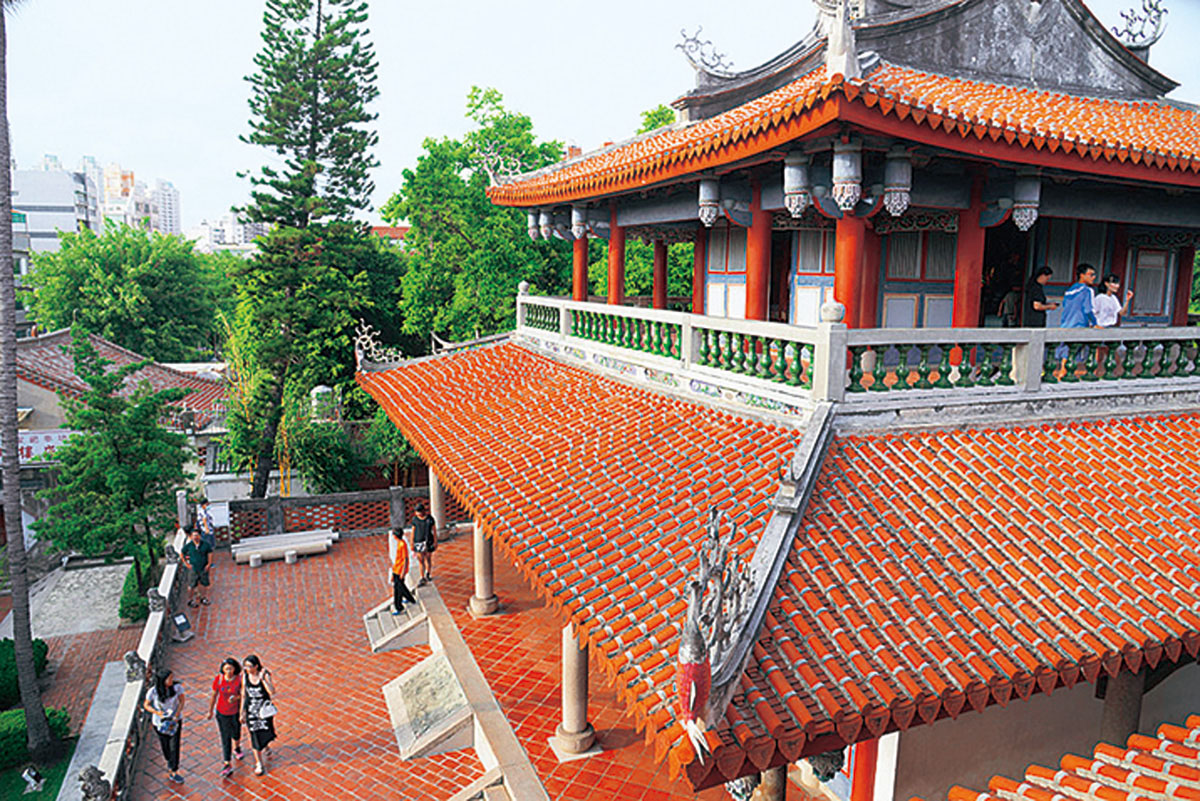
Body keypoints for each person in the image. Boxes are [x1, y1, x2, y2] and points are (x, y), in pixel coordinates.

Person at [144, 668, 186, 785]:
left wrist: (177, 714)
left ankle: (174, 770)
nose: (171, 680)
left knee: (174, 746)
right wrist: (157, 712)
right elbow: (146, 705)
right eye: (169, 678)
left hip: (174, 721)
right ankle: (169, 761)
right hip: (160, 723)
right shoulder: (153, 692)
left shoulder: (177, 688)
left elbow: (182, 701)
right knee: (165, 745)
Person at [240, 654, 277, 776]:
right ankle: (259, 763)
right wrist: (242, 712)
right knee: (254, 736)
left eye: (249, 666)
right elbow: (244, 695)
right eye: (245, 666)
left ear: (256, 666)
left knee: (266, 732)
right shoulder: (245, 676)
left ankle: (265, 745)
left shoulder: (264, 674)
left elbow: (272, 691)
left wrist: (262, 680)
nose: (247, 669)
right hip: (252, 712)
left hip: (264, 712)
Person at [207, 657, 244, 777]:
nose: (228, 671)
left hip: (235, 712)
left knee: (236, 732)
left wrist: (236, 698)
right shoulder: (219, 679)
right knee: (225, 737)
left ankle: (237, 747)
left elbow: (244, 695)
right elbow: (214, 695)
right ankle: (227, 762)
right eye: (226, 668)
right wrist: (210, 711)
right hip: (222, 713)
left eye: (230, 668)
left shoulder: (239, 679)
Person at [181, 527, 214, 608]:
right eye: (194, 535)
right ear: (191, 536)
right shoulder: (189, 546)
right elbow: (182, 553)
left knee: (204, 584)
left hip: (203, 567)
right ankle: (190, 600)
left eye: (197, 535)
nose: (195, 537)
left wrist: (209, 564)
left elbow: (210, 553)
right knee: (191, 585)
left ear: (200, 536)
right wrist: (186, 563)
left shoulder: (205, 545)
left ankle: (203, 598)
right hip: (193, 568)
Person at [1060, 263, 1098, 328]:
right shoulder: (1086, 290)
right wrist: (1095, 323)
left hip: (1065, 325)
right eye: (1091, 275)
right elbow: (1088, 310)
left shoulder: (1069, 291)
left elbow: (1064, 305)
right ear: (1082, 275)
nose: (1094, 277)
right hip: (1079, 326)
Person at [411, 503, 438, 586]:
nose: (418, 513)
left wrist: (435, 541)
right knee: (420, 560)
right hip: (418, 541)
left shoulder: (430, 519)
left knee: (428, 558)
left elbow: (434, 531)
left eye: (419, 511)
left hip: (428, 541)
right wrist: (412, 542)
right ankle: (422, 576)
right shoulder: (415, 520)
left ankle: (428, 573)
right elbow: (413, 531)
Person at [390, 528, 416, 614]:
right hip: (396, 569)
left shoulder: (402, 544)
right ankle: (410, 598)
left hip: (399, 570)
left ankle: (399, 607)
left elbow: (405, 559)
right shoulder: (400, 543)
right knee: (400, 586)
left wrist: (403, 572)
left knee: (398, 589)